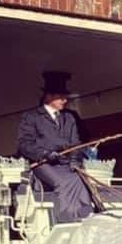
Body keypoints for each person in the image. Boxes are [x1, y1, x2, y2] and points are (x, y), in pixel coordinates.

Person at [16, 70, 93, 223]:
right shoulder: (31, 117)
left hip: (66, 163)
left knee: (79, 180)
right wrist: (44, 154)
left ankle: (86, 216)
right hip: (43, 164)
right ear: (49, 97)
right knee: (62, 183)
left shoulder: (69, 118)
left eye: (65, 97)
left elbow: (75, 143)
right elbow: (24, 144)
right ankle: (67, 220)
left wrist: (74, 160)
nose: (65, 101)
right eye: (61, 97)